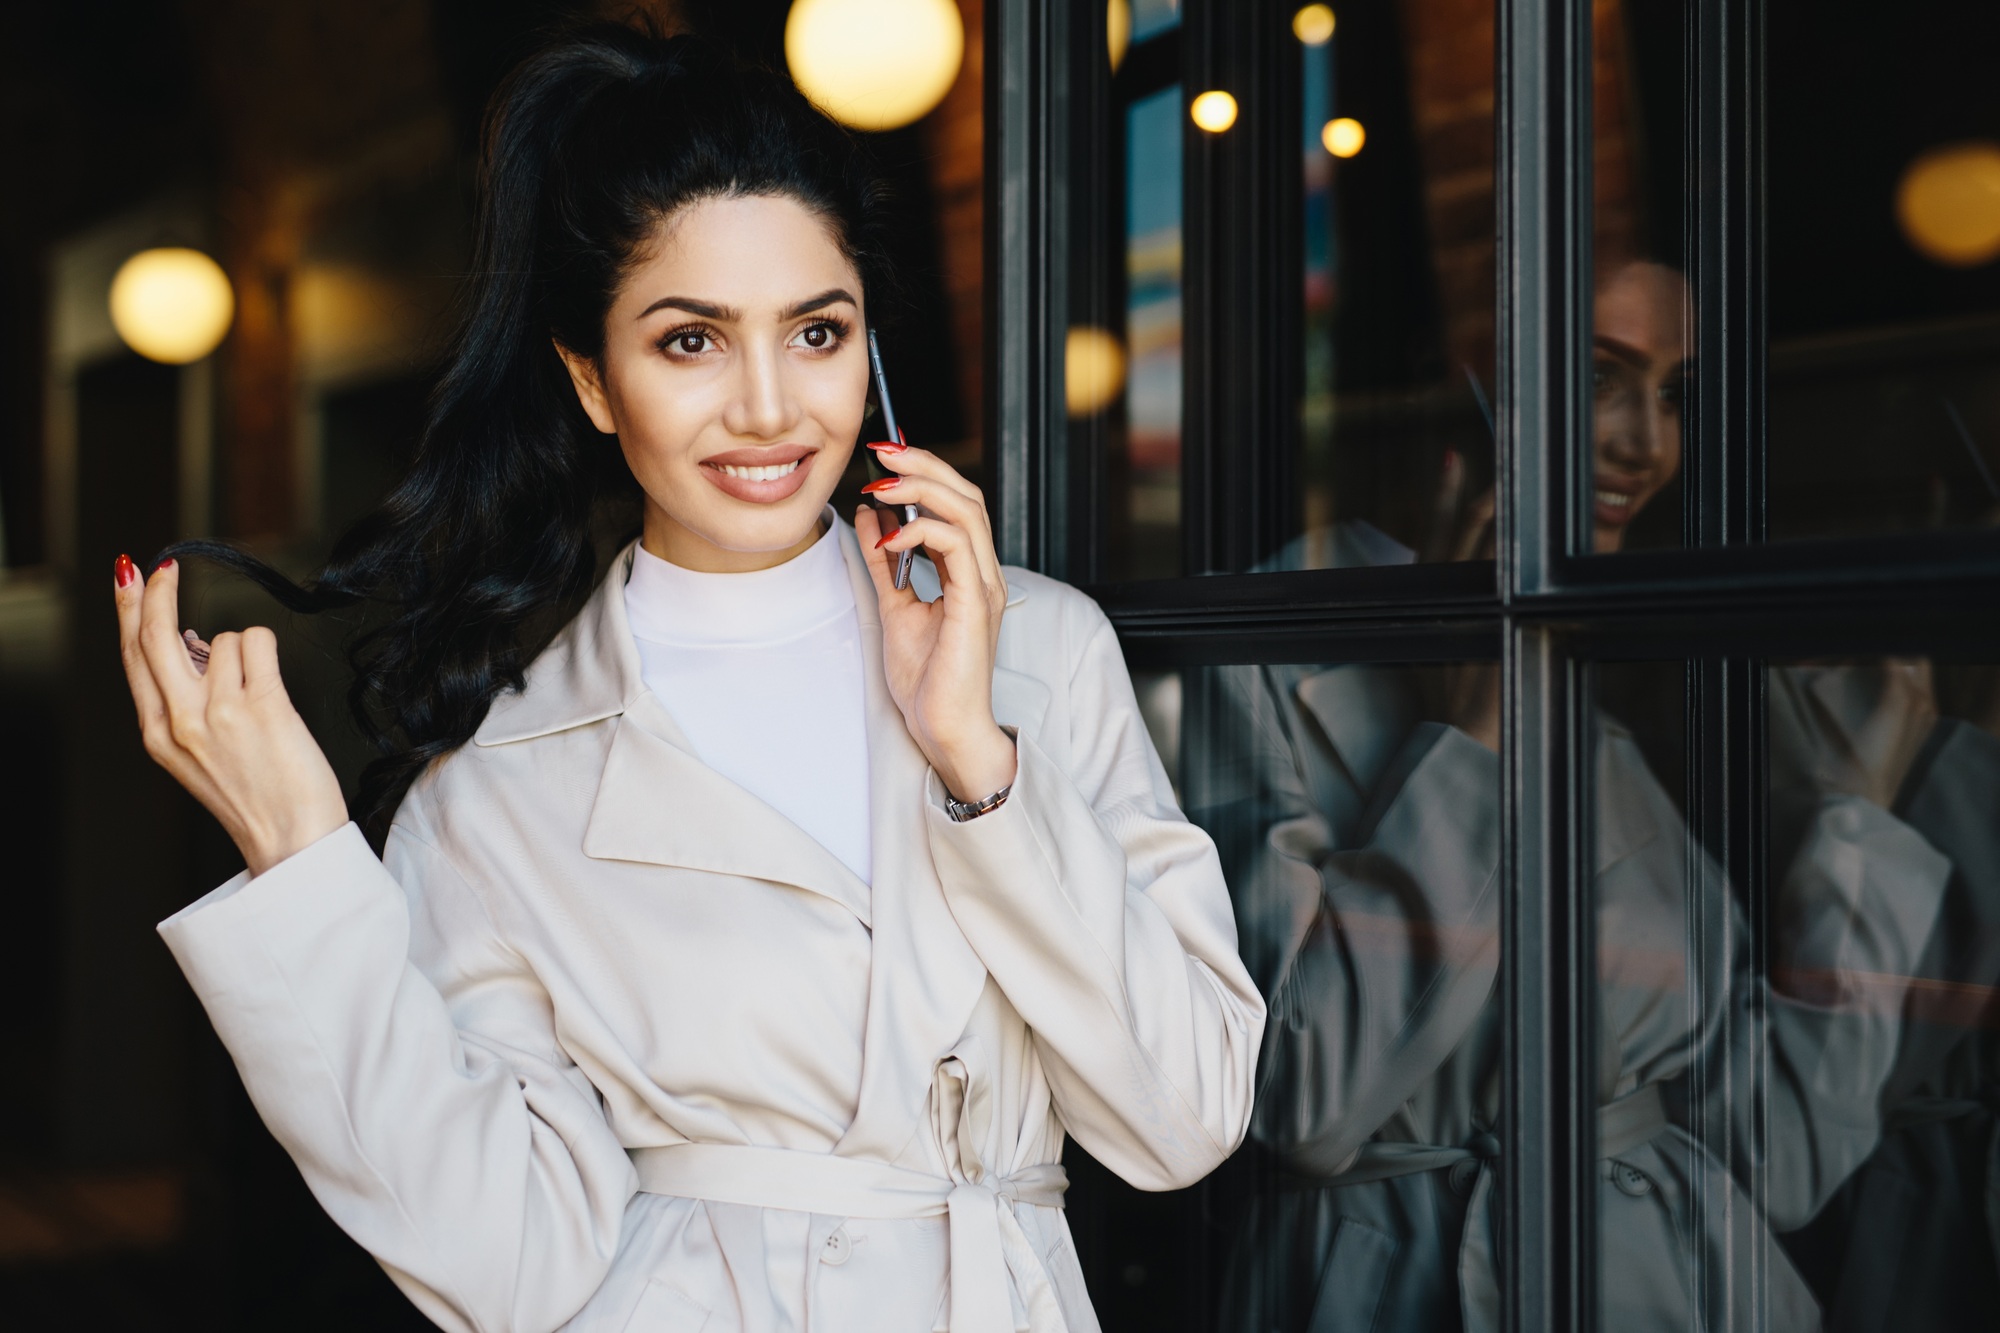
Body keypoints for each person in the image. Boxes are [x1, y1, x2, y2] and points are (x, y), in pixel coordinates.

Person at [109, 29, 1263, 1333]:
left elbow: (1187, 1122)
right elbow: (504, 1269)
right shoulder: (500, 783)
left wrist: (980, 767)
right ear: (593, 380)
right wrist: (301, 861)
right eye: (691, 343)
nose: (770, 408)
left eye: (816, 331)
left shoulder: (1038, 652)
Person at [1203, 259, 1954, 1331]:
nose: (1644, 445)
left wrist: (1857, 827)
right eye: (1598, 377)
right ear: (1450, 376)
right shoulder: (1258, 651)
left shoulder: (1602, 663)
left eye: (1670, 395)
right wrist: (1473, 744)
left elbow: (1781, 1152)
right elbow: (1305, 1098)